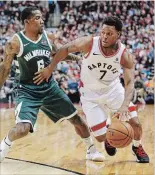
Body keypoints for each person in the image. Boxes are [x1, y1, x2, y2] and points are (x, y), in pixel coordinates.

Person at [34, 16, 149, 163]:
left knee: (135, 123)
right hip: (89, 94)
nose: (104, 37)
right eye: (103, 32)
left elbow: (130, 82)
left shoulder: (125, 55)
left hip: (113, 90)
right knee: (100, 137)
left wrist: (125, 105)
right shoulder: (89, 43)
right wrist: (50, 68)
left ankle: (137, 146)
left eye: (109, 34)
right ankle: (108, 136)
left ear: (118, 35)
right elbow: (64, 49)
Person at [0, 7, 104, 162]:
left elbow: (58, 54)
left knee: (77, 120)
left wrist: (77, 59)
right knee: (23, 129)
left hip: (49, 88)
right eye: (37, 18)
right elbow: (5, 68)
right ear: (27, 21)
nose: (42, 20)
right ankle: (4, 147)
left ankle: (91, 150)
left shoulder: (48, 38)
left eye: (42, 17)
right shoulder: (14, 42)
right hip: (27, 91)